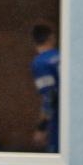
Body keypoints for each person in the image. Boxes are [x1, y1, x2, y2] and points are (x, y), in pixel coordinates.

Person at [31, 23, 60, 152]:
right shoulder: (63, 56)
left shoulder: (41, 62)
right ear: (52, 37)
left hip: (58, 119)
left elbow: (50, 95)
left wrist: (42, 128)